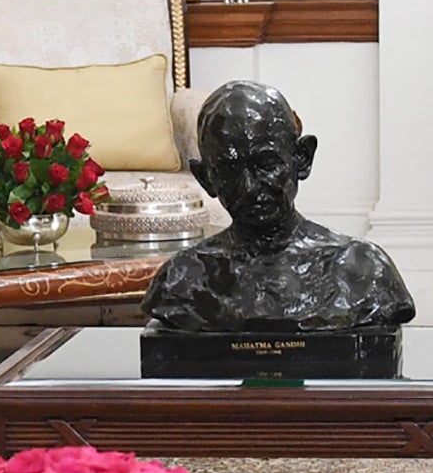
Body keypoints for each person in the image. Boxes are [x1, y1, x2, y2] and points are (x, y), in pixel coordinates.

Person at [143, 81, 415, 332]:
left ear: (302, 159)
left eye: (266, 164)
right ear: (206, 178)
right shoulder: (182, 279)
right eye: (229, 171)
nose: (249, 187)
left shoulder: (362, 271)